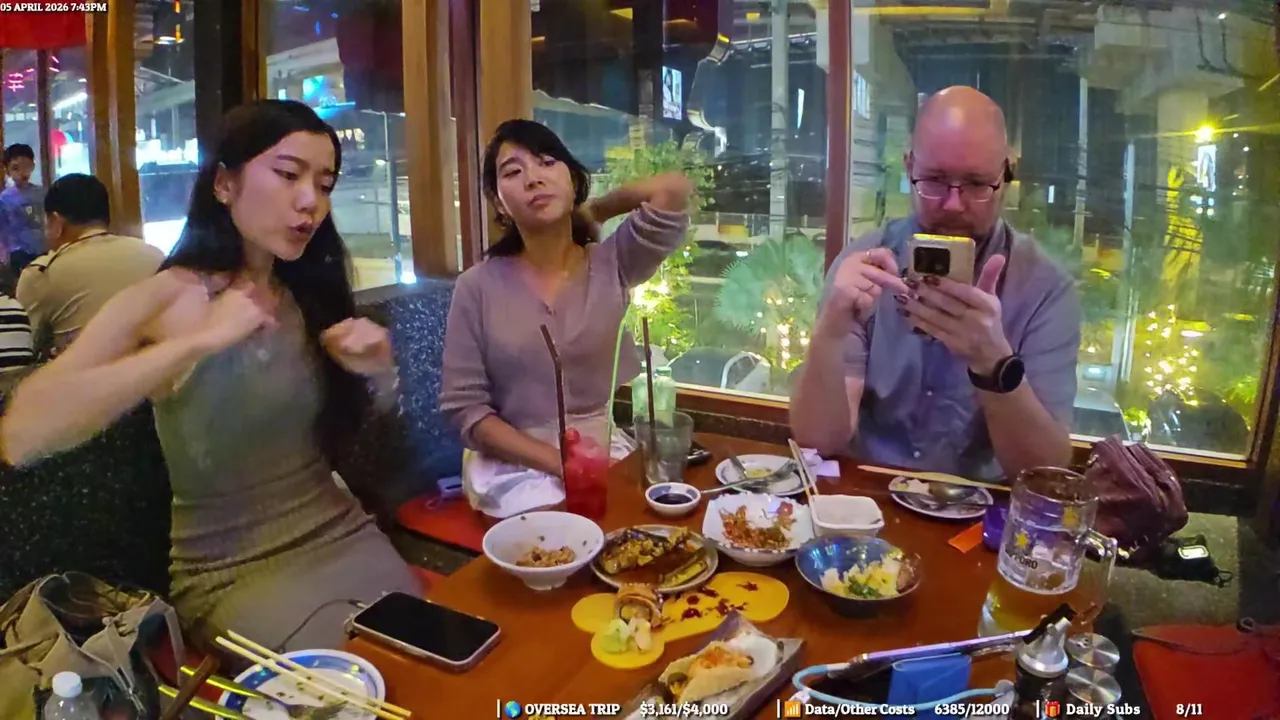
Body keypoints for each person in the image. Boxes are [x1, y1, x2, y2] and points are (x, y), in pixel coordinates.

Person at [0, 100, 421, 651]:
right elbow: (23, 433)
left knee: (441, 661)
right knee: (358, 682)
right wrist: (197, 342)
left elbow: (363, 433)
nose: (310, 202)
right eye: (288, 174)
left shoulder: (306, 291)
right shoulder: (167, 295)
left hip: (345, 533)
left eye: (324, 185)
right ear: (224, 184)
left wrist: (382, 374)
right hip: (231, 572)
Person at [790, 86, 1080, 482]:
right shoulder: (866, 266)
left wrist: (993, 364)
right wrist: (829, 333)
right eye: (935, 180)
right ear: (909, 167)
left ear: (1006, 174)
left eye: (977, 183)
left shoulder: (1044, 289)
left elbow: (1044, 471)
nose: (953, 204)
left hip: (976, 506)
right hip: (872, 493)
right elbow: (817, 440)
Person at [440, 119, 691, 513]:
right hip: (515, 465)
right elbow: (464, 410)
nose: (533, 179)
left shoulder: (613, 261)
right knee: (558, 527)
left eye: (546, 162)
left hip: (601, 450)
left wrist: (595, 211)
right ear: (498, 202)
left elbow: (672, 189)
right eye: (513, 171)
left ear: (573, 180)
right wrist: (559, 463)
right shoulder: (476, 287)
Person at [18, 173, 165, 356]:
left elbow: (22, 345)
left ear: (56, 221)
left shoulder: (42, 273)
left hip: (86, 372)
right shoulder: (155, 256)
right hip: (160, 370)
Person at [0, 144, 47, 274]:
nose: (22, 172)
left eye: (26, 166)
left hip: (43, 248)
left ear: (33, 166)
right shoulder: (4, 199)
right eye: (16, 168)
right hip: (18, 252)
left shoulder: (42, 193)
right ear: (8, 171)